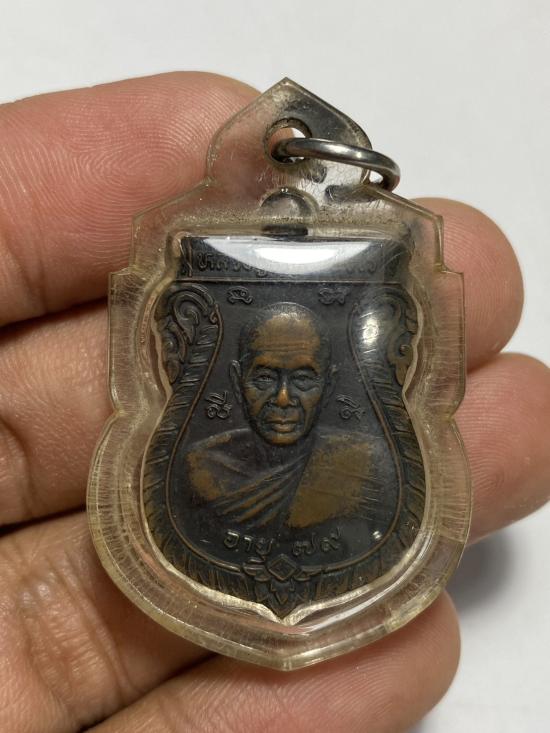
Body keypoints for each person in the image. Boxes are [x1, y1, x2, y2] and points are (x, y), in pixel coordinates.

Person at [0, 72, 548, 733]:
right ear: (235, 378)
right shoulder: (201, 468)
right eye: (264, 378)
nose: (284, 399)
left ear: (330, 379)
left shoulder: (363, 471)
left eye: (305, 379)